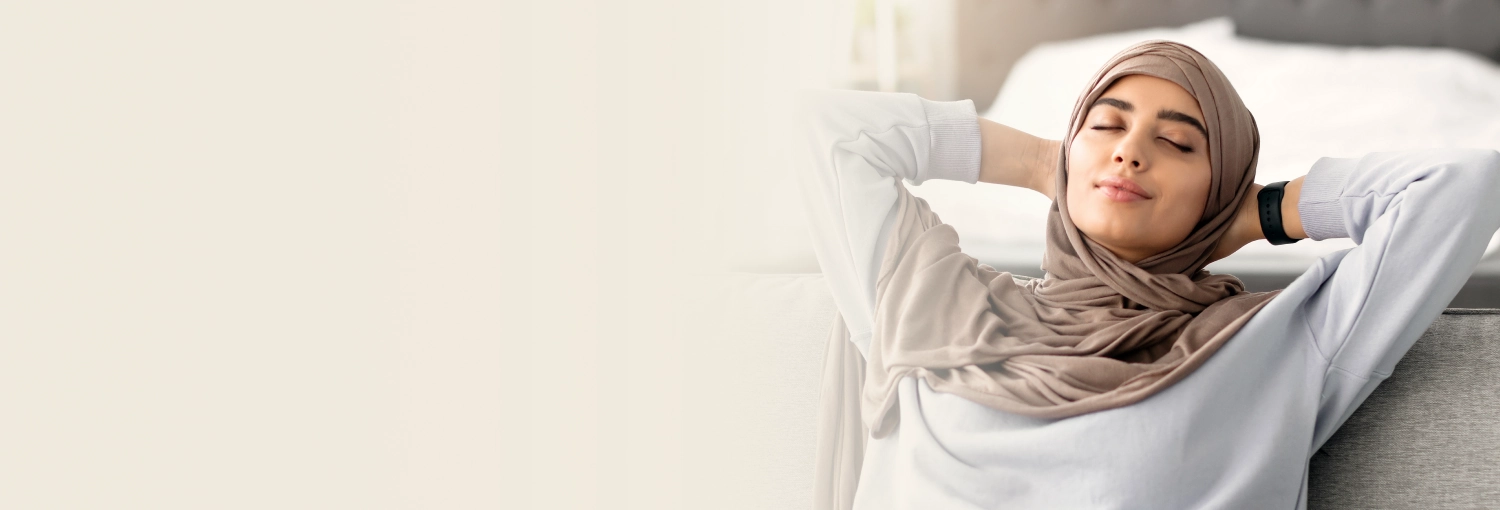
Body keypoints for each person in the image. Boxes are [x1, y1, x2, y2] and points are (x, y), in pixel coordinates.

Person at [783, 40, 1500, 509]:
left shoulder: (1279, 343)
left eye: (1179, 143)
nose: (1129, 153)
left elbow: (1462, 187)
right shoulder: (928, 300)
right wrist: (1043, 165)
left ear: (1218, 187)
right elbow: (833, 133)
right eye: (1105, 125)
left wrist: (1249, 214)